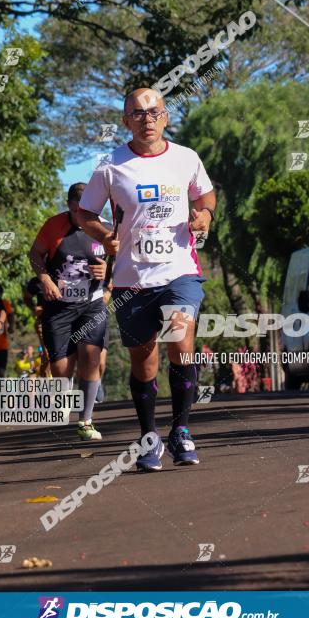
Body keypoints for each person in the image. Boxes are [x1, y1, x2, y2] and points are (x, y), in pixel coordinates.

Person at [78, 88, 216, 471]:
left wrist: (203, 215)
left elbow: (205, 197)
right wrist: (104, 234)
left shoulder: (186, 158)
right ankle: (148, 437)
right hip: (132, 279)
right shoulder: (110, 164)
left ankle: (182, 431)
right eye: (137, 113)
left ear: (166, 117)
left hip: (179, 272)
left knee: (181, 338)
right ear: (126, 121)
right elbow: (86, 213)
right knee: (144, 361)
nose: (147, 119)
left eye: (154, 111)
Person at [29, 183, 111, 440]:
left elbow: (123, 264)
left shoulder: (106, 228)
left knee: (91, 357)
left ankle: (86, 420)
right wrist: (45, 280)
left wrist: (108, 273)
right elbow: (35, 254)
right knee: (61, 369)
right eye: (77, 212)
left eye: (86, 211)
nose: (82, 217)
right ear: (69, 207)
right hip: (59, 307)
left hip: (92, 303)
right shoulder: (53, 226)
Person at [24, 277, 52, 378]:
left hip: (64, 323)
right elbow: (27, 297)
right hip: (43, 324)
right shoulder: (36, 281)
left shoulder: (65, 275)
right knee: (47, 357)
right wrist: (34, 308)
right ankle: (49, 391)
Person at [0, 285, 15, 378]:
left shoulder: (4, 304)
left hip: (1, 346)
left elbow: (11, 314)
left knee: (0, 372)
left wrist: (11, 326)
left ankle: (0, 393)